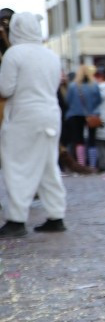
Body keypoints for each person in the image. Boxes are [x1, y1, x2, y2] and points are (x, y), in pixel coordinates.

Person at [0, 12, 66, 236]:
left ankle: (17, 219)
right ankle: (56, 215)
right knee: (48, 166)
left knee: (18, 166)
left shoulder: (14, 54)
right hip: (51, 113)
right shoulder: (51, 56)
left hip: (24, 115)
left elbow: (6, 89)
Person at [63, 64, 102, 171]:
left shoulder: (72, 86)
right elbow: (99, 100)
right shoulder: (94, 85)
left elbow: (68, 101)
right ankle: (93, 165)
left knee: (79, 140)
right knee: (92, 140)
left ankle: (81, 164)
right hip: (92, 114)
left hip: (75, 114)